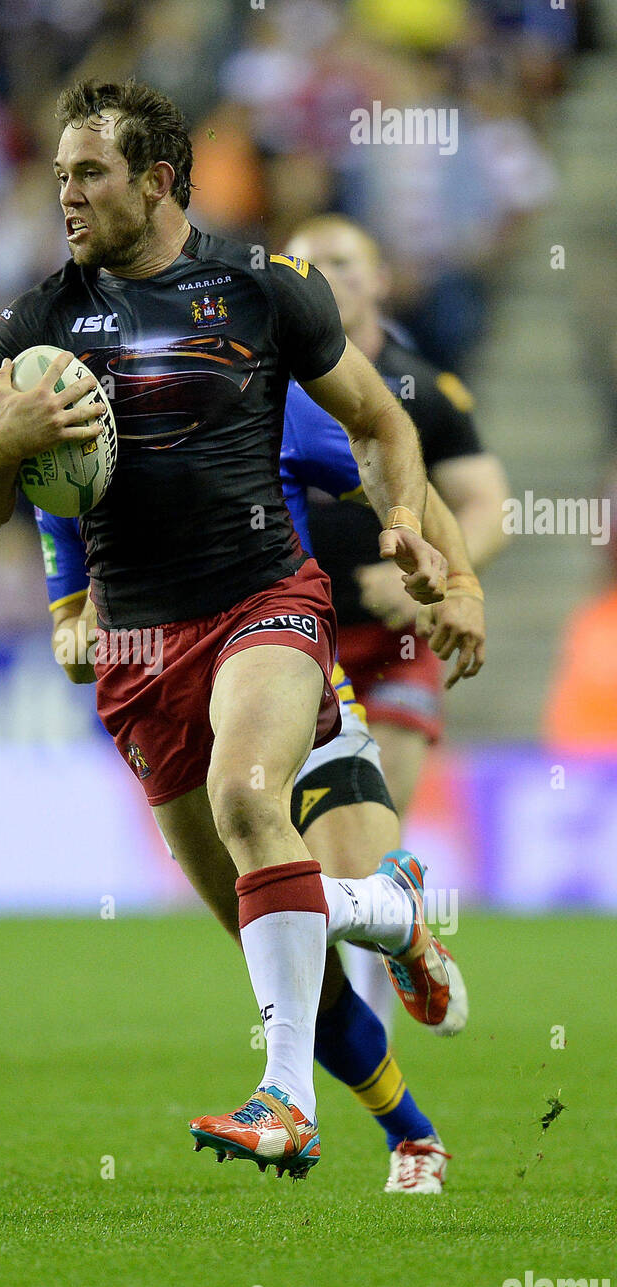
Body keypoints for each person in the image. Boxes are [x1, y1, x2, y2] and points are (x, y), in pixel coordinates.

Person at [0, 78, 453, 1181]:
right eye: (58, 174)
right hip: (136, 653)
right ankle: (389, 940)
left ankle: (284, 1106)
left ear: (156, 182)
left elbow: (379, 423)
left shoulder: (263, 289)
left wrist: (411, 529)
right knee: (277, 946)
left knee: (246, 798)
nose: (63, 195)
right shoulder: (33, 328)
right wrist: (4, 439)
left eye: (88, 174)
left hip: (264, 601)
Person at [36, 497, 479, 1193]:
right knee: (294, 961)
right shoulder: (68, 474)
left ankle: (366, 951)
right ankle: (410, 1127)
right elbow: (68, 647)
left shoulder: (257, 405)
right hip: (168, 714)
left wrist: (456, 579)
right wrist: (84, 633)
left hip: (287, 682)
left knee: (286, 923)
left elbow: (396, 464)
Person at [281, 215, 509, 1026]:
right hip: (304, 645)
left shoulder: (421, 388)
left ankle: (373, 1001)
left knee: (380, 829)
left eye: (342, 262)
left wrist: (439, 575)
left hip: (401, 641)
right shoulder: (271, 384)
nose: (325, 277)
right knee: (326, 847)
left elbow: (486, 506)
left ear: (379, 280)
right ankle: (392, 952)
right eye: (304, 265)